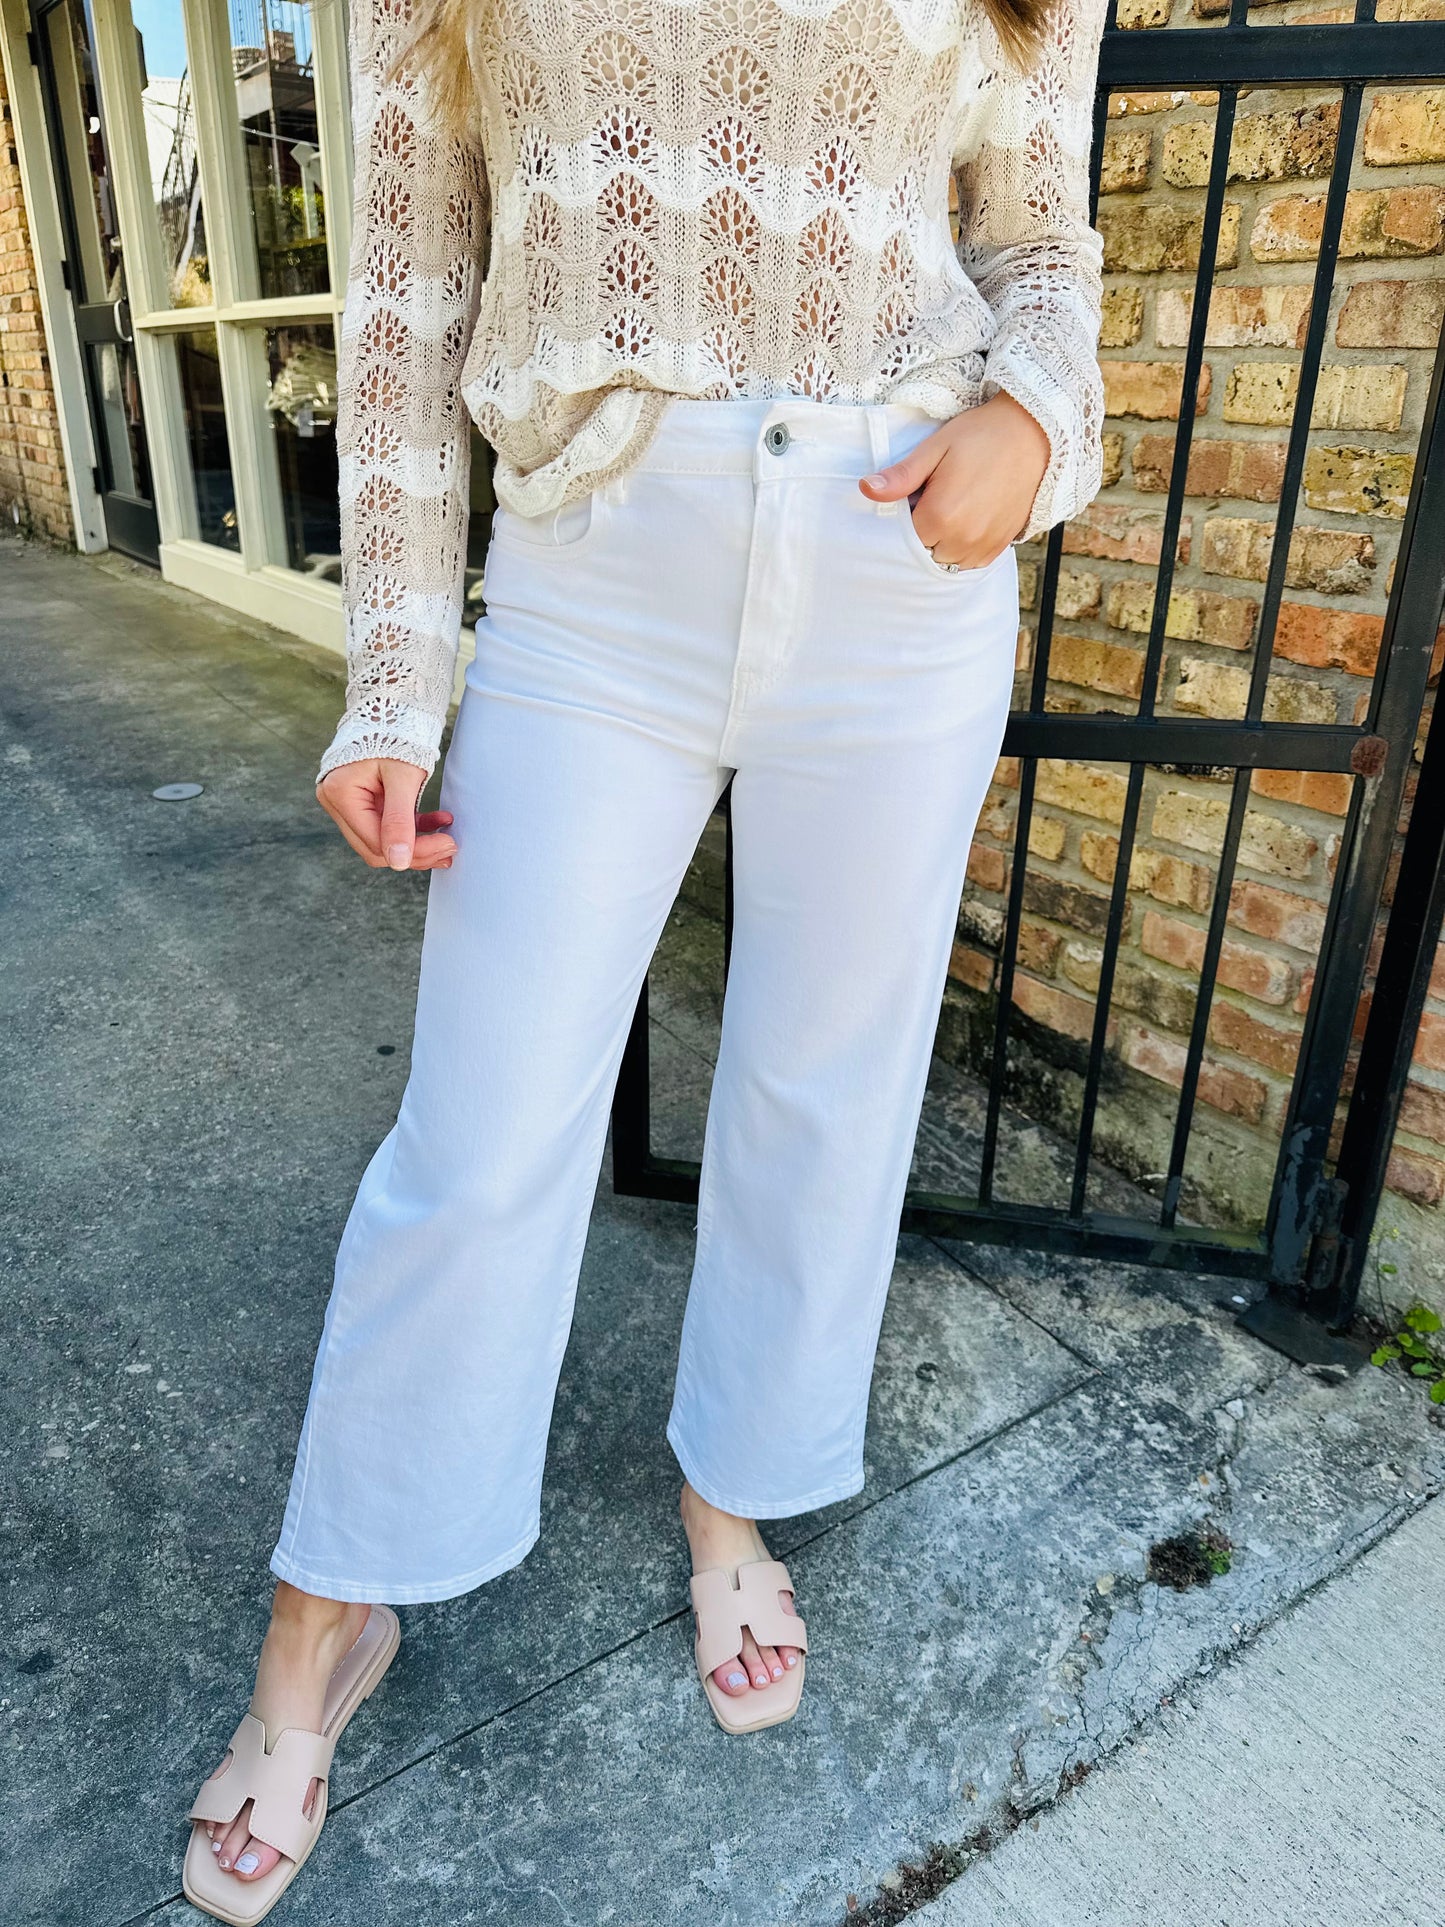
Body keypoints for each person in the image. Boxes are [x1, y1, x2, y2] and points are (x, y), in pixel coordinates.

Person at [182, 0, 1107, 1913]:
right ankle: (327, 1615)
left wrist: (1032, 419)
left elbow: (1037, 241)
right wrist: (391, 672)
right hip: (596, 574)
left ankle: (730, 1497)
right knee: (480, 1132)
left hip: (900, 566)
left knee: (823, 1086)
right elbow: (407, 295)